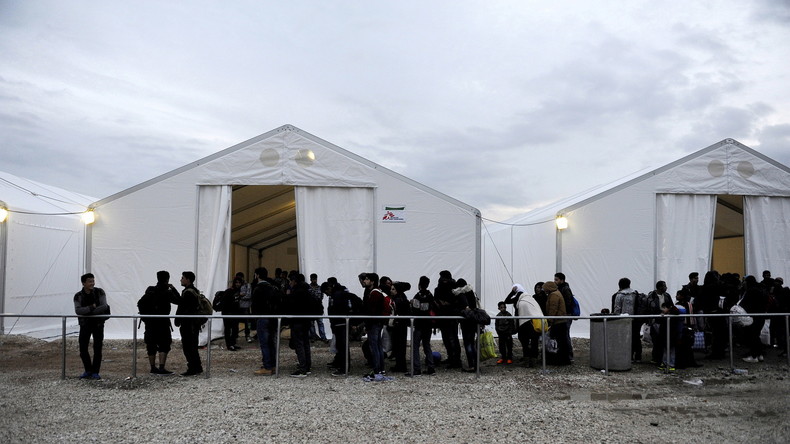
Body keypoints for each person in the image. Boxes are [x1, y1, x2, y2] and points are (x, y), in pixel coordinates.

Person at [138, 270, 180, 375]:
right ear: (167, 279)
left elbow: (140, 303)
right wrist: (173, 288)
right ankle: (161, 367)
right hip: (163, 322)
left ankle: (153, 368)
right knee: (164, 344)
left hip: (150, 323)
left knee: (151, 345)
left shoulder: (150, 290)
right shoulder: (167, 292)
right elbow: (179, 300)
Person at [74, 273, 110, 379]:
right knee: (83, 348)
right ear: (83, 283)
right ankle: (88, 370)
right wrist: (92, 307)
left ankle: (95, 372)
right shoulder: (78, 296)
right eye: (90, 281)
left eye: (93, 281)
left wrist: (88, 311)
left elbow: (104, 306)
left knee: (97, 348)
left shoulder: (100, 292)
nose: (92, 283)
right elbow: (78, 310)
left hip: (98, 324)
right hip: (85, 325)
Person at [505, 283, 544, 366]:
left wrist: (512, 292)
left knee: (524, 340)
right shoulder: (529, 297)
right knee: (534, 340)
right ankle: (534, 359)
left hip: (523, 322)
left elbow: (506, 301)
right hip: (534, 321)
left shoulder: (518, 297)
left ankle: (526, 360)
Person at [174, 271, 203, 376]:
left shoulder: (188, 293)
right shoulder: (194, 291)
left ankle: (192, 368)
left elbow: (182, 305)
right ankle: (197, 367)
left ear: (188, 279)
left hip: (188, 324)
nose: (181, 279)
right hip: (193, 324)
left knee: (188, 346)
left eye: (183, 278)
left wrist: (179, 320)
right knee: (193, 346)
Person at [251, 267, 279, 376]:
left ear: (257, 275)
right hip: (273, 318)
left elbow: (255, 306)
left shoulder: (258, 288)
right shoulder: (272, 287)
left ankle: (267, 366)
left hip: (262, 318)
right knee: (271, 343)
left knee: (264, 343)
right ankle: (273, 365)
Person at [407, 276, 436, 377]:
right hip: (428, 324)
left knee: (415, 346)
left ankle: (417, 369)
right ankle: (431, 367)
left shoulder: (418, 296)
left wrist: (412, 302)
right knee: (427, 345)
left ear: (419, 284)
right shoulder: (430, 296)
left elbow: (416, 309)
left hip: (419, 324)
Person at [434, 270, 462, 369]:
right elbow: (436, 300)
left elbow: (438, 301)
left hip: (448, 317)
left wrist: (444, 304)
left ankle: (455, 360)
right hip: (447, 317)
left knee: (451, 339)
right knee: (449, 339)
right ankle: (453, 358)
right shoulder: (451, 287)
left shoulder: (451, 287)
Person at [287, 273, 313, 377]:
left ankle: (302, 369)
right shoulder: (308, 290)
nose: (290, 283)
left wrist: (288, 296)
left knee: (299, 345)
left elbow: (291, 306)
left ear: (294, 281)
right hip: (306, 321)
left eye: (291, 280)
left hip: (297, 321)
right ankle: (307, 366)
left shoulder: (296, 292)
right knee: (305, 343)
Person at [362, 272, 386, 379]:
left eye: (367, 279)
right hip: (378, 322)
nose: (364, 281)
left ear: (372, 281)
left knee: (374, 346)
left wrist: (367, 325)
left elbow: (370, 311)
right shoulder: (378, 292)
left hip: (374, 323)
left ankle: (377, 369)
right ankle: (381, 368)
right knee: (378, 346)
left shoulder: (374, 294)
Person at [612, 277, 643, 362]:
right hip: (636, 319)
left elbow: (617, 309)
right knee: (636, 337)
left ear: (620, 285)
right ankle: (638, 356)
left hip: (623, 320)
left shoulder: (619, 295)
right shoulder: (635, 293)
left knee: (624, 338)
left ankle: (628, 356)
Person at [740, 275, 769, 363]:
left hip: (752, 316)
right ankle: (759, 354)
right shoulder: (762, 290)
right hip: (761, 315)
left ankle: (754, 356)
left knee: (752, 336)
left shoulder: (750, 291)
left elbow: (744, 303)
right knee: (756, 335)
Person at [645, 281, 674, 364]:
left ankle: (661, 358)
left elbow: (671, 305)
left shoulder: (667, 295)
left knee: (662, 339)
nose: (666, 288)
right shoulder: (651, 296)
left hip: (664, 320)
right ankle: (655, 358)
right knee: (656, 340)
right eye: (664, 286)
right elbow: (649, 308)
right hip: (655, 320)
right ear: (660, 287)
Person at [543, 281, 570, 365]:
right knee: (562, 341)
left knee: (558, 342)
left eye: (545, 288)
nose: (544, 290)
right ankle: (564, 359)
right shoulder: (557, 293)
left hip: (558, 322)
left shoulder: (554, 295)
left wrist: (550, 321)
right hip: (560, 321)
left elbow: (553, 309)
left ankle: (561, 360)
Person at [456, 278, 479, 372]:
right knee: (472, 343)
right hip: (473, 321)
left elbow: (464, 309)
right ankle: (476, 364)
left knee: (468, 344)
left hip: (466, 322)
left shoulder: (461, 295)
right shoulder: (471, 293)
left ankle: (471, 365)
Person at [389, 281, 412, 373]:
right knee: (400, 346)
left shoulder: (398, 300)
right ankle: (400, 365)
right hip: (401, 324)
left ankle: (401, 366)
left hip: (399, 325)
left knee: (399, 345)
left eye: (393, 289)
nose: (391, 290)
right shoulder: (402, 298)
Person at [217, 277, 243, 351]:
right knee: (228, 329)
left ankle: (232, 343)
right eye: (236, 282)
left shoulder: (237, 291)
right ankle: (229, 344)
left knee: (235, 329)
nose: (238, 284)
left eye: (239, 283)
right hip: (228, 313)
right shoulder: (229, 291)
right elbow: (226, 302)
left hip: (234, 313)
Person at [554, 272, 575, 362]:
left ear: (562, 280)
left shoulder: (565, 289)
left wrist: (563, 311)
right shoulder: (561, 288)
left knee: (565, 335)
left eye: (556, 279)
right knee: (564, 335)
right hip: (564, 315)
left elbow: (568, 302)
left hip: (566, 315)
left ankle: (569, 355)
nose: (555, 281)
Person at [308, 273, 328, 342]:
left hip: (318, 308)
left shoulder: (320, 288)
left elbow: (321, 297)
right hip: (311, 308)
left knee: (320, 323)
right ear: (310, 279)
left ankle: (323, 337)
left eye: (315, 279)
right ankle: (313, 337)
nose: (314, 280)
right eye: (313, 279)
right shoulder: (308, 288)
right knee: (311, 324)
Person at [235, 272, 254, 343]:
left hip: (245, 306)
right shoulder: (235, 285)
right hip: (237, 306)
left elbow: (248, 295)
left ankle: (247, 335)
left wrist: (240, 296)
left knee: (247, 322)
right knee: (235, 321)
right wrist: (240, 295)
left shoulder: (247, 285)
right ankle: (235, 335)